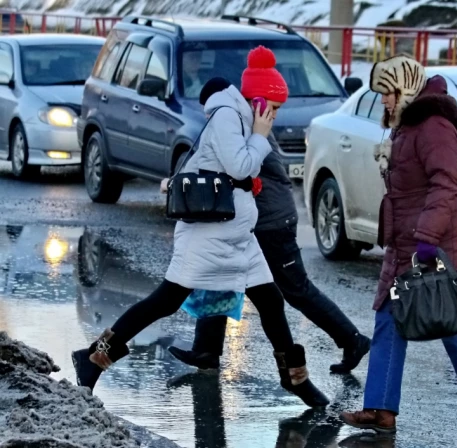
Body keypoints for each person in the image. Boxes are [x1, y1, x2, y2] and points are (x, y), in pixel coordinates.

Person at [72, 46, 328, 408]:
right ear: (258, 101)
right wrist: (259, 136)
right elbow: (239, 167)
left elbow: (240, 174)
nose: (275, 115)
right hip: (209, 233)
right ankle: (93, 358)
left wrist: (256, 139)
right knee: (165, 300)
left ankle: (294, 378)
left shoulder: (242, 119)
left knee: (271, 301)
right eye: (273, 106)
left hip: (237, 234)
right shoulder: (228, 116)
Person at [341, 54, 457, 436]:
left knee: (451, 324)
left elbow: (446, 185)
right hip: (407, 243)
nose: (382, 101)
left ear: (405, 90)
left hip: (437, 242)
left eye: (387, 93)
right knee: (388, 317)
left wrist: (429, 239)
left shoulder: (433, 125)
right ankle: (381, 408)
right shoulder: (405, 126)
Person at [166, 78, 370, 375]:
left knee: (295, 290)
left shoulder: (249, 128)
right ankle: (206, 350)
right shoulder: (243, 123)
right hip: (253, 220)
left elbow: (242, 169)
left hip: (273, 223)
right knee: (219, 276)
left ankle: (352, 339)